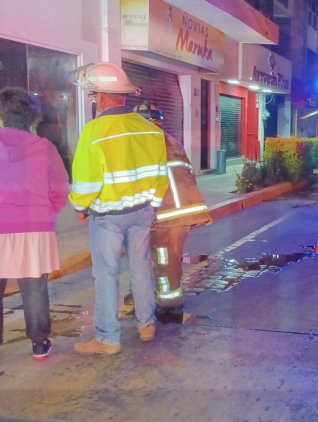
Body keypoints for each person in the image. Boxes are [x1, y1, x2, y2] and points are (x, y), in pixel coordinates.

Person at [68, 62, 169, 355]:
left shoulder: (94, 132)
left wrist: (79, 205)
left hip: (108, 217)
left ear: (100, 96)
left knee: (106, 274)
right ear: (124, 95)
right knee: (141, 267)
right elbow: (160, 175)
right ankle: (146, 324)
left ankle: (107, 338)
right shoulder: (150, 130)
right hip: (142, 212)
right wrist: (153, 206)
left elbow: (86, 183)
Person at [0, 87, 69, 360]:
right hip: (35, 226)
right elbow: (61, 190)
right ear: (32, 117)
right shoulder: (45, 148)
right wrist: (46, 212)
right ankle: (39, 343)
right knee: (34, 288)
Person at [132, 102, 212, 311]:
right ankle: (152, 293)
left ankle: (168, 301)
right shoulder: (171, 141)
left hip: (166, 213)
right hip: (183, 210)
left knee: (163, 257)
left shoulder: (144, 143)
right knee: (168, 256)